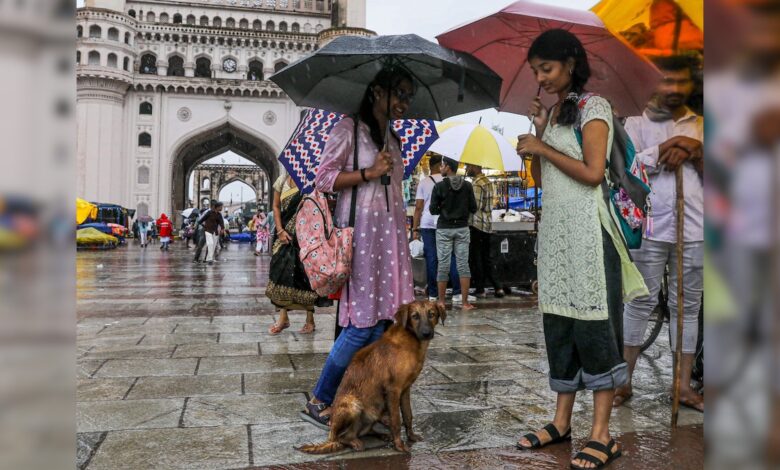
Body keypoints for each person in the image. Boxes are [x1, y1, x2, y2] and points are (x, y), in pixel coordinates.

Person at [514, 29, 629, 469]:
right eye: (535, 71)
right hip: (558, 233)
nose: (540, 77)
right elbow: (545, 183)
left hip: (590, 233)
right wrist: (539, 139)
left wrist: (543, 144)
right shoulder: (557, 111)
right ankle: (562, 421)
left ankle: (602, 433)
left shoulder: (593, 106)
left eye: (546, 68)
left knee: (593, 326)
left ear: (570, 63)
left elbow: (594, 172)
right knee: (560, 322)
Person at [302, 67, 417, 428]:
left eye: (407, 95)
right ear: (376, 92)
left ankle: (374, 400)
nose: (402, 102)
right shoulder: (348, 129)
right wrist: (367, 172)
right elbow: (323, 178)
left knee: (387, 323)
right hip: (364, 236)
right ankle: (321, 396)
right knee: (361, 325)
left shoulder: (391, 137)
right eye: (398, 92)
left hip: (392, 236)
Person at [614, 56, 704, 412]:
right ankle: (623, 382)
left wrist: (696, 150)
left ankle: (682, 386)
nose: (674, 89)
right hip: (649, 226)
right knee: (639, 302)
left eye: (681, 82)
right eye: (667, 81)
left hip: (695, 226)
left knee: (689, 307)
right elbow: (624, 171)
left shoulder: (702, 124)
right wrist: (663, 150)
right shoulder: (635, 121)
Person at [266, 172, 317, 335]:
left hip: (306, 235)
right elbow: (275, 206)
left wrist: (307, 201)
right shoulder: (281, 180)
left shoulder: (311, 180)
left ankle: (310, 319)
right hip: (284, 235)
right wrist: (280, 230)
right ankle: (283, 317)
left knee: (305, 276)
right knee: (280, 273)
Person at [412, 153, 465, 302]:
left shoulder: (424, 183)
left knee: (432, 258)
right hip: (448, 223)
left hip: (428, 224)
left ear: (431, 166)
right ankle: (456, 292)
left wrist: (415, 229)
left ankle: (434, 294)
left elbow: (418, 207)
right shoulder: (453, 181)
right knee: (453, 257)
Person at [429, 157, 477, 310]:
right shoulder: (468, 186)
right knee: (463, 264)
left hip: (444, 229)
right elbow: (473, 208)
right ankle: (465, 303)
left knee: (443, 264)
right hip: (462, 228)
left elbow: (432, 210)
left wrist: (443, 206)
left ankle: (441, 302)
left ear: (448, 167)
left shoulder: (439, 187)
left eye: (442, 165)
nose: (440, 168)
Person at [465, 164, 504, 299]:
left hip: (476, 224)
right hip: (487, 224)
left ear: (475, 167)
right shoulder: (488, 182)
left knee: (476, 258)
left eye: (468, 166)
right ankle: (498, 287)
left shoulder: (477, 184)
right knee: (487, 257)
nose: (466, 169)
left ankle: (480, 289)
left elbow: (475, 206)